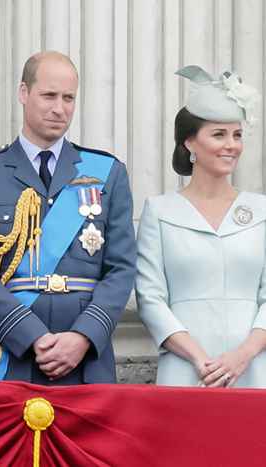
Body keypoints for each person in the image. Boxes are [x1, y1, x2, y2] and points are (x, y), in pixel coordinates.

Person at [0, 51, 136, 384]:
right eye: (49, 95)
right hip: (11, 354)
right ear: (23, 93)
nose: (59, 108)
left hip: (85, 361)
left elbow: (121, 269)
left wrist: (83, 337)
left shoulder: (107, 173)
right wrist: (29, 334)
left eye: (69, 98)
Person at [136, 65, 266, 388]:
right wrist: (199, 359)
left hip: (253, 370)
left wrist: (242, 355)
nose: (231, 145)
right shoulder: (159, 211)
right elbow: (150, 298)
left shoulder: (261, 210)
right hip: (186, 371)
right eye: (219, 134)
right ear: (190, 143)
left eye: (237, 135)